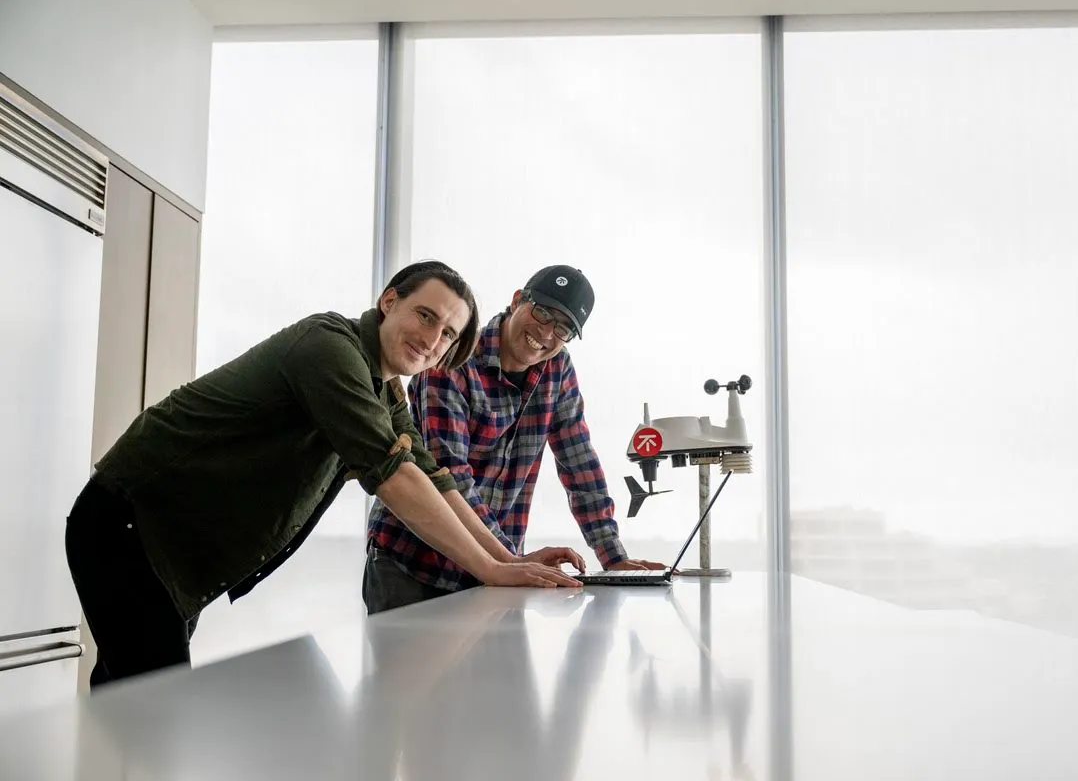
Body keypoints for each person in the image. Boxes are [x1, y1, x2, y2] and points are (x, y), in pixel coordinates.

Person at [65, 260, 580, 689]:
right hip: (130, 522)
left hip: (172, 550)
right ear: (388, 301)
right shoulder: (328, 347)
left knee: (124, 699)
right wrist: (490, 570)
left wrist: (505, 558)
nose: (432, 340)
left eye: (447, 334)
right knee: (157, 706)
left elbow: (433, 475)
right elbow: (393, 475)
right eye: (425, 316)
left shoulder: (388, 391)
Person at [364, 265, 665, 613]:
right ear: (517, 300)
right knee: (408, 670)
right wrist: (511, 561)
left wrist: (613, 559)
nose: (547, 333)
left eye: (563, 328)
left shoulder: (558, 370)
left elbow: (579, 464)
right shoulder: (452, 355)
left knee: (505, 669)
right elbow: (450, 476)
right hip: (413, 565)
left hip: (497, 574)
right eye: (542, 313)